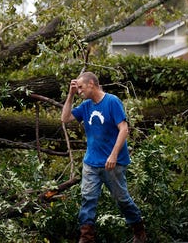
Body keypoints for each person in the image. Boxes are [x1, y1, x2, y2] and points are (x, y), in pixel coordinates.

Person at [61, 72, 147, 243]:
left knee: (122, 200)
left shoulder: (111, 102)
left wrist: (113, 155)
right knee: (88, 199)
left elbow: (124, 129)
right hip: (91, 163)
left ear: (91, 83)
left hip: (112, 164)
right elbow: (65, 118)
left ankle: (139, 233)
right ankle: (86, 238)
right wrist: (69, 95)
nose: (79, 91)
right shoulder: (86, 106)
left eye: (80, 87)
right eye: (77, 89)